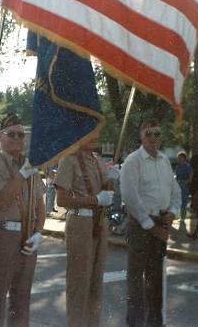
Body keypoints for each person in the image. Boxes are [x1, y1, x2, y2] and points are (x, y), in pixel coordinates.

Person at [0, 112, 46, 327]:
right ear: (0, 136)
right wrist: (23, 174)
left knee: (22, 298)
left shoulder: (29, 164)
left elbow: (39, 204)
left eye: (21, 135)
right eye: (11, 134)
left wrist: (39, 232)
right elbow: (1, 201)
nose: (17, 139)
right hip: (3, 234)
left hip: (27, 235)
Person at [120, 118, 181, 327]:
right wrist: (150, 226)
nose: (153, 138)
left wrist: (172, 212)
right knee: (137, 281)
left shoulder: (164, 160)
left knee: (156, 280)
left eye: (157, 134)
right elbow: (130, 196)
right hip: (140, 226)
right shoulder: (133, 161)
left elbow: (176, 192)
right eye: (149, 134)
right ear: (141, 136)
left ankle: (155, 323)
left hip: (161, 223)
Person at [54, 135, 116, 327]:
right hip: (80, 221)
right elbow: (61, 200)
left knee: (95, 285)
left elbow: (107, 192)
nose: (96, 136)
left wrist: (112, 180)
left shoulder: (98, 161)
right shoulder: (69, 159)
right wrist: (95, 200)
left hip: (99, 222)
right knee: (79, 285)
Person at [175, 151, 193, 223]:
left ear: (184, 158)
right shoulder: (178, 167)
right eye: (178, 158)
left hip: (184, 186)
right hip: (178, 185)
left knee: (183, 202)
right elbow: (177, 177)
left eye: (180, 158)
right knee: (177, 202)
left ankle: (183, 217)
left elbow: (190, 177)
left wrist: (186, 182)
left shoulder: (188, 167)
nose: (179, 159)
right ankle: (179, 216)